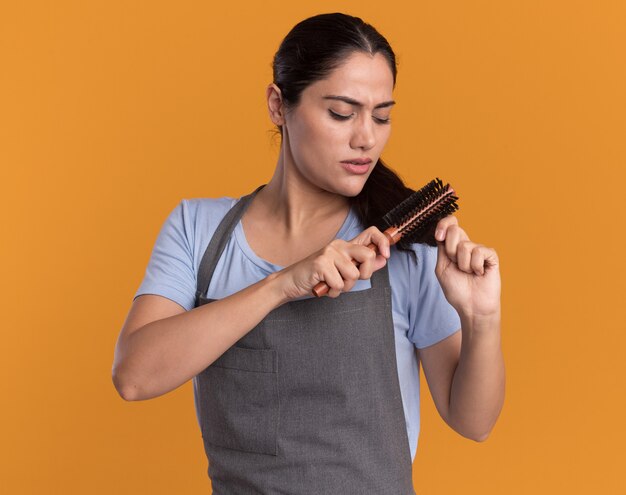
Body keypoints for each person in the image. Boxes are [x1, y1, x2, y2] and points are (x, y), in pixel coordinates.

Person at [112, 12, 504, 494]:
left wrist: (481, 319)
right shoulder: (198, 230)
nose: (367, 137)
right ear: (279, 105)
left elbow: (474, 422)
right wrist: (283, 284)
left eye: (382, 115)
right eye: (342, 113)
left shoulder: (403, 247)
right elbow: (134, 377)